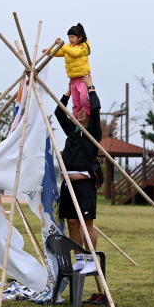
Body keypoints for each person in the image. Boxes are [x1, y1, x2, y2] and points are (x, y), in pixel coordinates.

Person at [55, 75, 101, 275]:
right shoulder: (72, 132)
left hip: (84, 185)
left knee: (86, 222)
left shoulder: (93, 132)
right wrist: (68, 91)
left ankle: (92, 259)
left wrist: (90, 87)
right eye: (78, 110)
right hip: (68, 185)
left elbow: (96, 108)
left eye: (84, 110)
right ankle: (79, 260)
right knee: (72, 222)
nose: (80, 113)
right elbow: (58, 111)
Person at [43, 23, 93, 118]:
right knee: (76, 102)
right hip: (73, 79)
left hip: (83, 78)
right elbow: (60, 52)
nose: (70, 40)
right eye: (69, 37)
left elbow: (74, 53)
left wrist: (62, 45)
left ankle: (88, 116)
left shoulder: (83, 47)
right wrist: (49, 51)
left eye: (72, 37)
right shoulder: (69, 47)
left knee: (84, 98)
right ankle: (77, 118)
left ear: (80, 38)